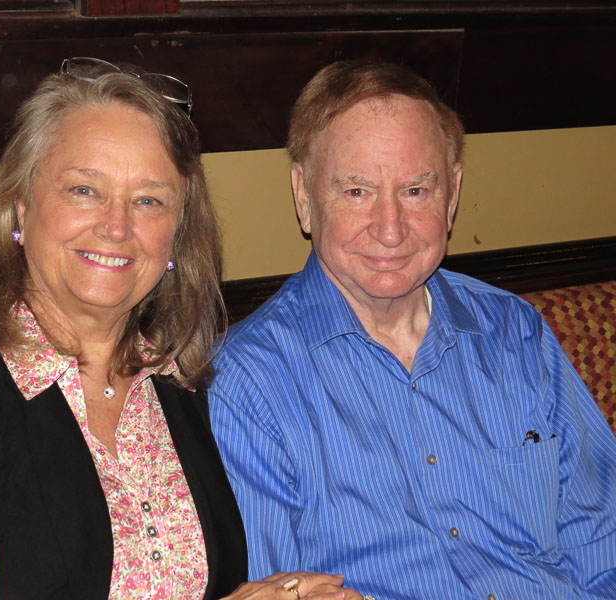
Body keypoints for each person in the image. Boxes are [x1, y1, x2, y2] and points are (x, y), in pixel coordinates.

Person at [0, 57, 357, 600]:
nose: (116, 226)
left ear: (177, 233)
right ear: (21, 205)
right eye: (83, 190)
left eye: (149, 200)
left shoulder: (179, 385)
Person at [208, 59, 616, 600]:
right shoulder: (248, 381)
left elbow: (602, 539)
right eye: (356, 191)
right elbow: (278, 588)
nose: (390, 227)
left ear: (451, 196)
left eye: (416, 190)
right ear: (304, 197)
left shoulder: (516, 333)